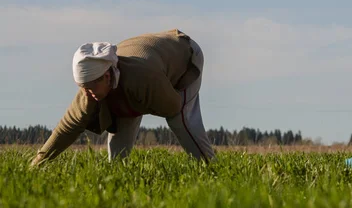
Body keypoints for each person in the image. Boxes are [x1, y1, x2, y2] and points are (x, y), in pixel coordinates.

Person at [30, 29, 215, 166]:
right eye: (83, 88)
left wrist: (138, 103)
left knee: (181, 120)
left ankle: (212, 169)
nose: (88, 93)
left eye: (92, 86)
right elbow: (66, 129)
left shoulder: (143, 79)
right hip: (145, 63)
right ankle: (118, 175)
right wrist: (36, 164)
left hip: (183, 55)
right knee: (120, 119)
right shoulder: (90, 90)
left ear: (107, 76)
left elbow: (173, 107)